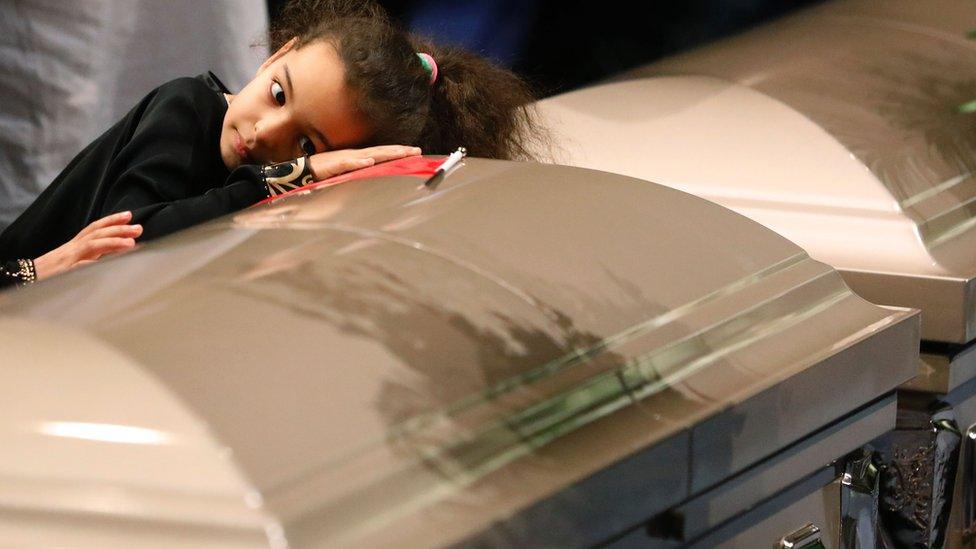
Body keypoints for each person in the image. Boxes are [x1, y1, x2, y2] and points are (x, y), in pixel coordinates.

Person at [0, 0, 544, 289]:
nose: (262, 133)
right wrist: (288, 174)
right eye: (278, 93)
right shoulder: (187, 106)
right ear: (273, 55)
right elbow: (126, 241)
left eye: (304, 142)